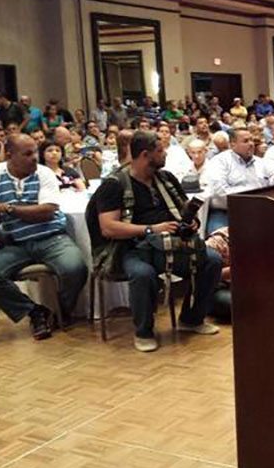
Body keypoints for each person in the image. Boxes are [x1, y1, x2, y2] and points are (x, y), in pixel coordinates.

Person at [92, 131, 222, 352]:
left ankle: (192, 318)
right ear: (145, 155)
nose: (166, 154)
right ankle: (144, 331)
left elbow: (183, 211)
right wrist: (150, 229)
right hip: (132, 247)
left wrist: (191, 224)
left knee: (212, 260)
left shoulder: (166, 178)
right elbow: (108, 227)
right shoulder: (114, 184)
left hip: (172, 244)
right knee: (143, 274)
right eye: (160, 150)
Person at [0, 134, 88, 339]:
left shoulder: (44, 173)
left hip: (51, 238)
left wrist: (3, 208)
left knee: (75, 268)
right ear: (10, 155)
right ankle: (36, 312)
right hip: (17, 243)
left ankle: (63, 311)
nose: (34, 158)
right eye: (27, 154)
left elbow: (46, 211)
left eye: (35, 152)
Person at [204, 127, 274, 233]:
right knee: (217, 244)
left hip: (260, 211)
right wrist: (254, 197)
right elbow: (220, 193)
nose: (251, 144)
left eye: (251, 140)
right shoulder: (219, 162)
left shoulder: (262, 163)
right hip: (226, 213)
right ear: (232, 144)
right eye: (245, 141)